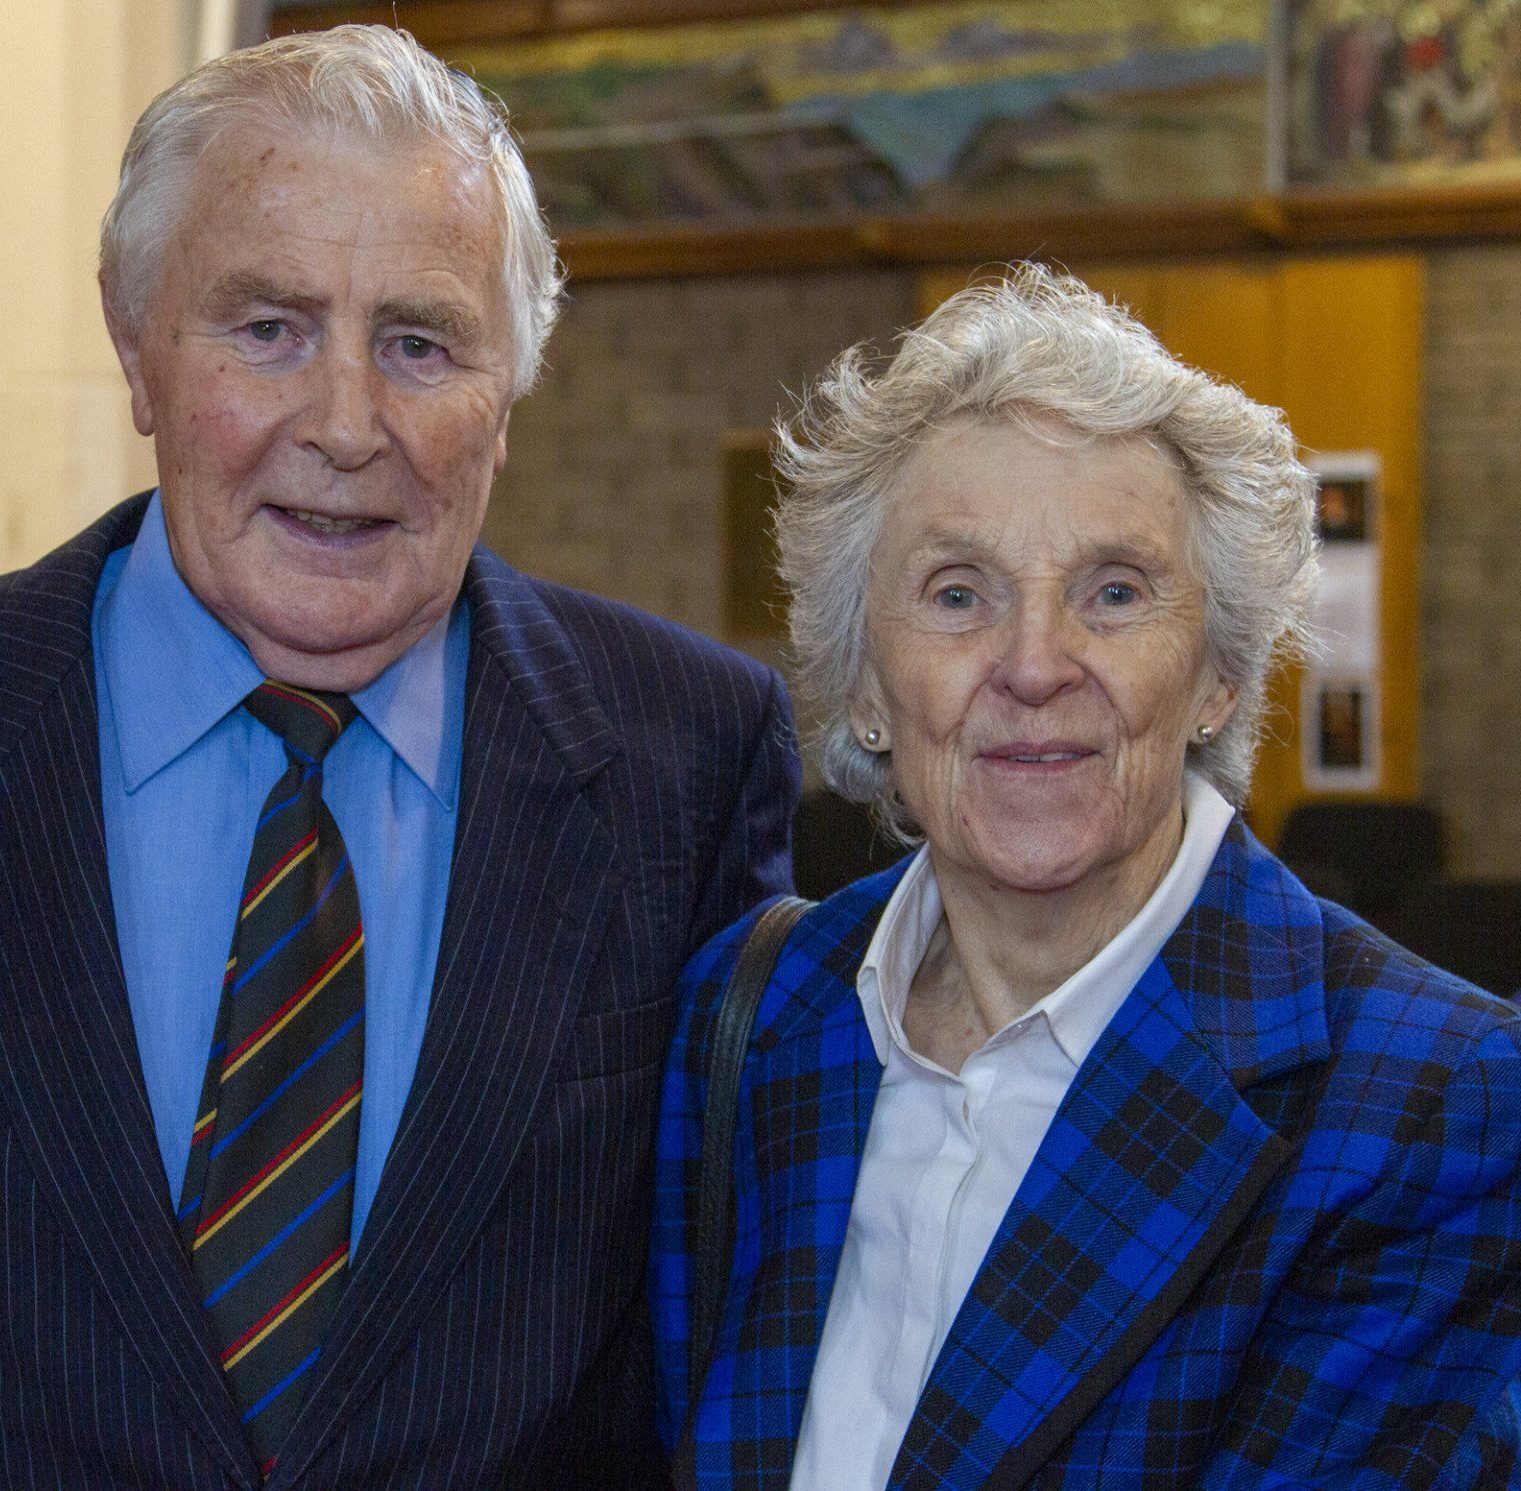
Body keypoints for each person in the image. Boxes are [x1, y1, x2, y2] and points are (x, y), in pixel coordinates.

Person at [0, 26, 799, 1490]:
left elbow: (725, 1362)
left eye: (419, 343)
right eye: (268, 328)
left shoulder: (690, 755)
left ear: (510, 392)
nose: (345, 425)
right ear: (134, 343)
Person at [652, 265, 1521, 1488]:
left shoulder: (1438, 1101)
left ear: (1218, 675)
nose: (1035, 663)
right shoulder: (749, 1016)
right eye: (959, 594)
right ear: (866, 685)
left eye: (1114, 593)